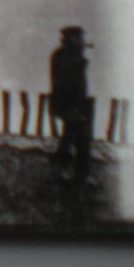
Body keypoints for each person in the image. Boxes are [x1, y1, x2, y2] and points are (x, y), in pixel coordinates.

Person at [49, 25, 93, 183]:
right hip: (70, 102)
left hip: (75, 102)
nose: (83, 41)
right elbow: (66, 82)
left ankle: (65, 171)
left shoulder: (64, 55)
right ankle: (74, 173)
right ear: (72, 39)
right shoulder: (64, 56)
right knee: (78, 137)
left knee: (72, 136)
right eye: (80, 38)